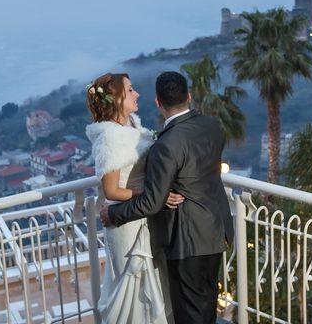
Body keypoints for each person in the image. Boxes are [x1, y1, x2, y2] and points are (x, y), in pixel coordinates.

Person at [100, 71, 234, 324]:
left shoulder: (166, 144)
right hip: (217, 229)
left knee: (188, 313)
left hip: (188, 238)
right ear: (189, 96)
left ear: (158, 103)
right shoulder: (213, 125)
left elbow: (152, 201)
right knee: (206, 303)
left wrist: (114, 214)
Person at [86, 72, 182, 324]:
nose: (137, 93)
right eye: (130, 90)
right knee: (133, 288)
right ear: (116, 98)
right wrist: (154, 193)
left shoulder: (133, 126)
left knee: (151, 286)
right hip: (127, 223)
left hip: (145, 215)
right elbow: (111, 190)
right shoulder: (111, 136)